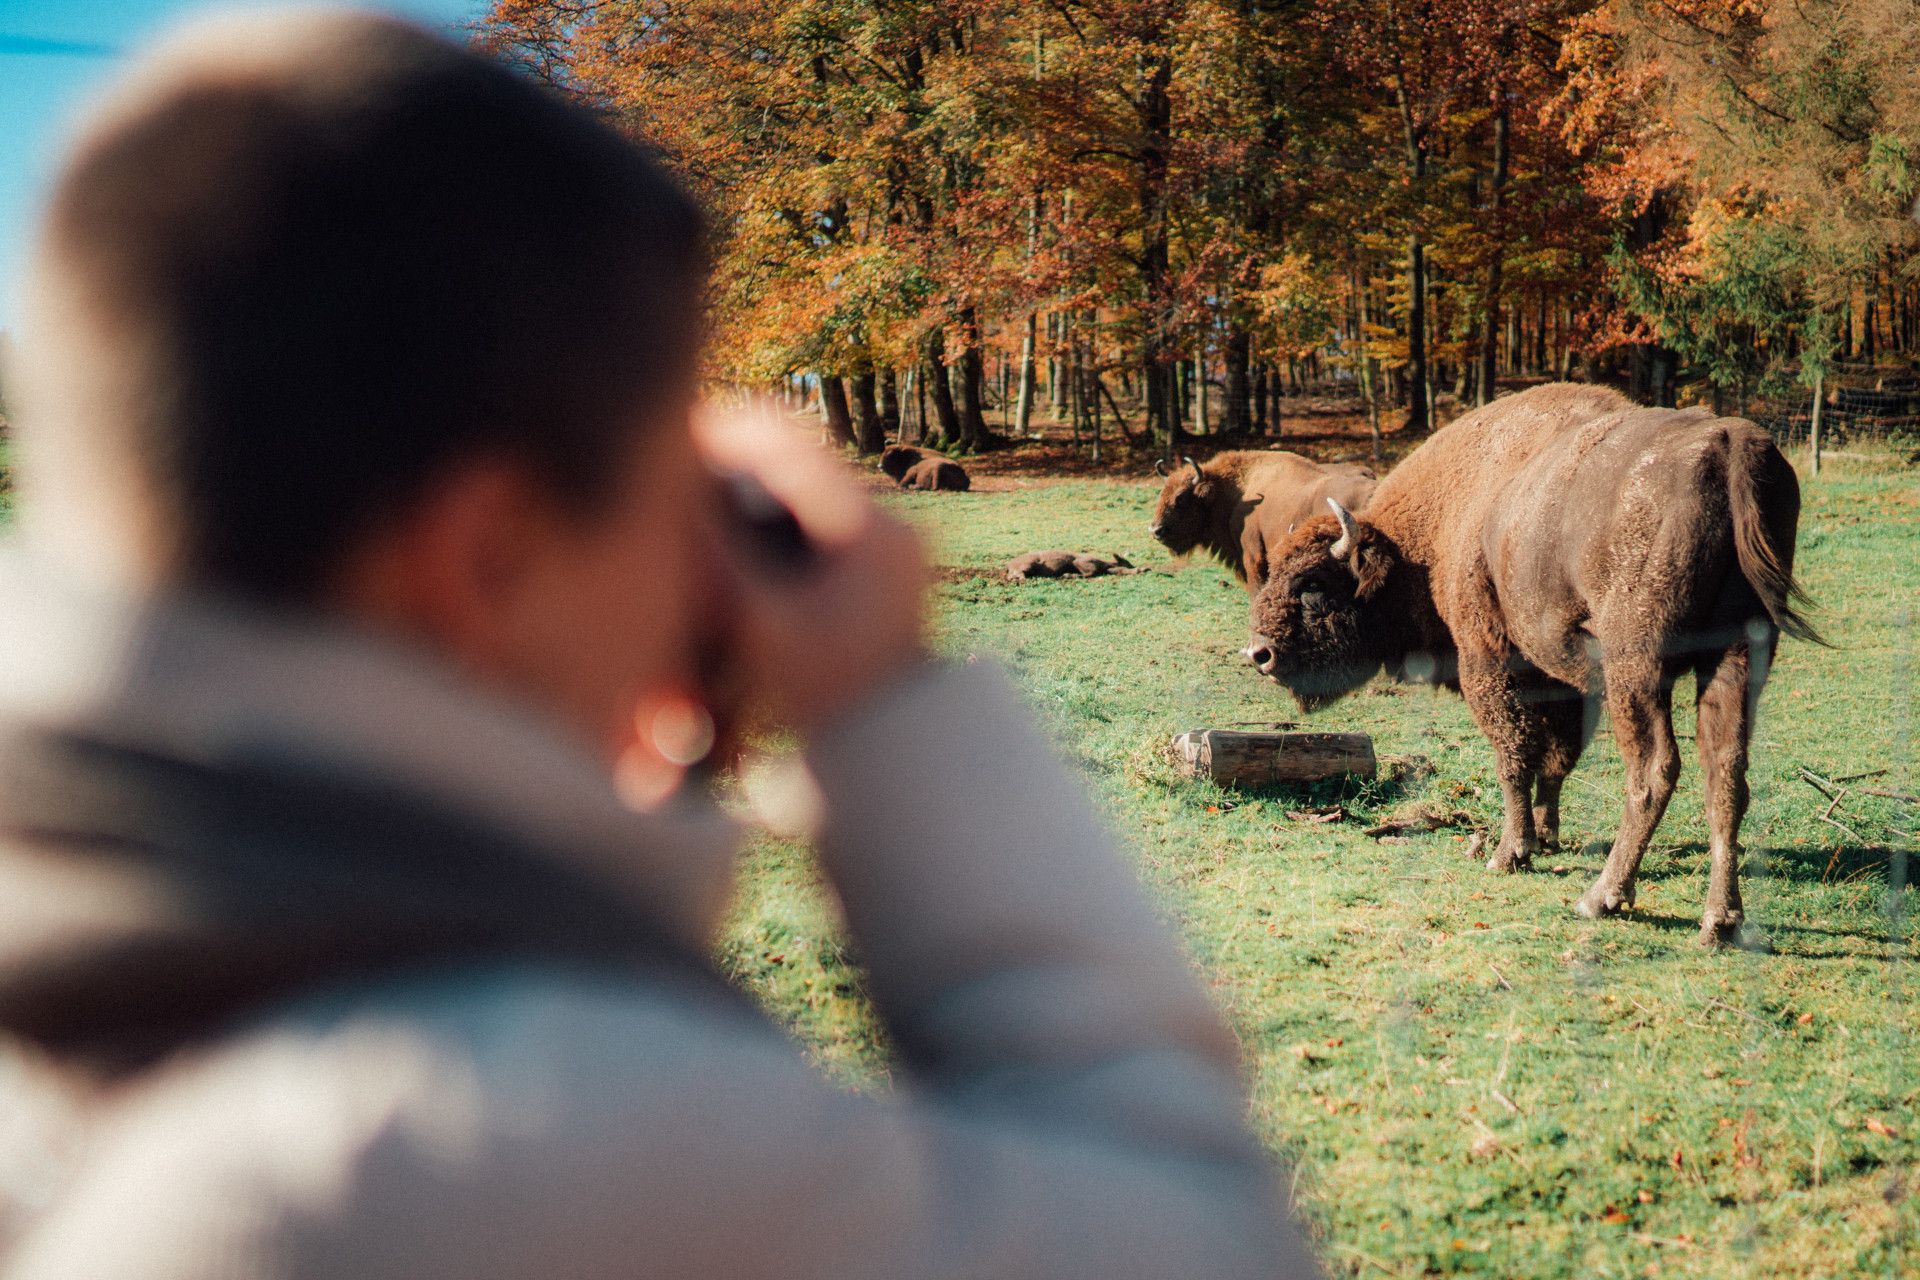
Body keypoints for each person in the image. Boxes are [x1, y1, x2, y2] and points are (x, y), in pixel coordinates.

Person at [0, 10, 1320, 1278]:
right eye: (664, 498)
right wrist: (879, 703)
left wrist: (559, 776)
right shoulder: (511, 1134)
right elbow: (1209, 1240)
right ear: (490, 559)